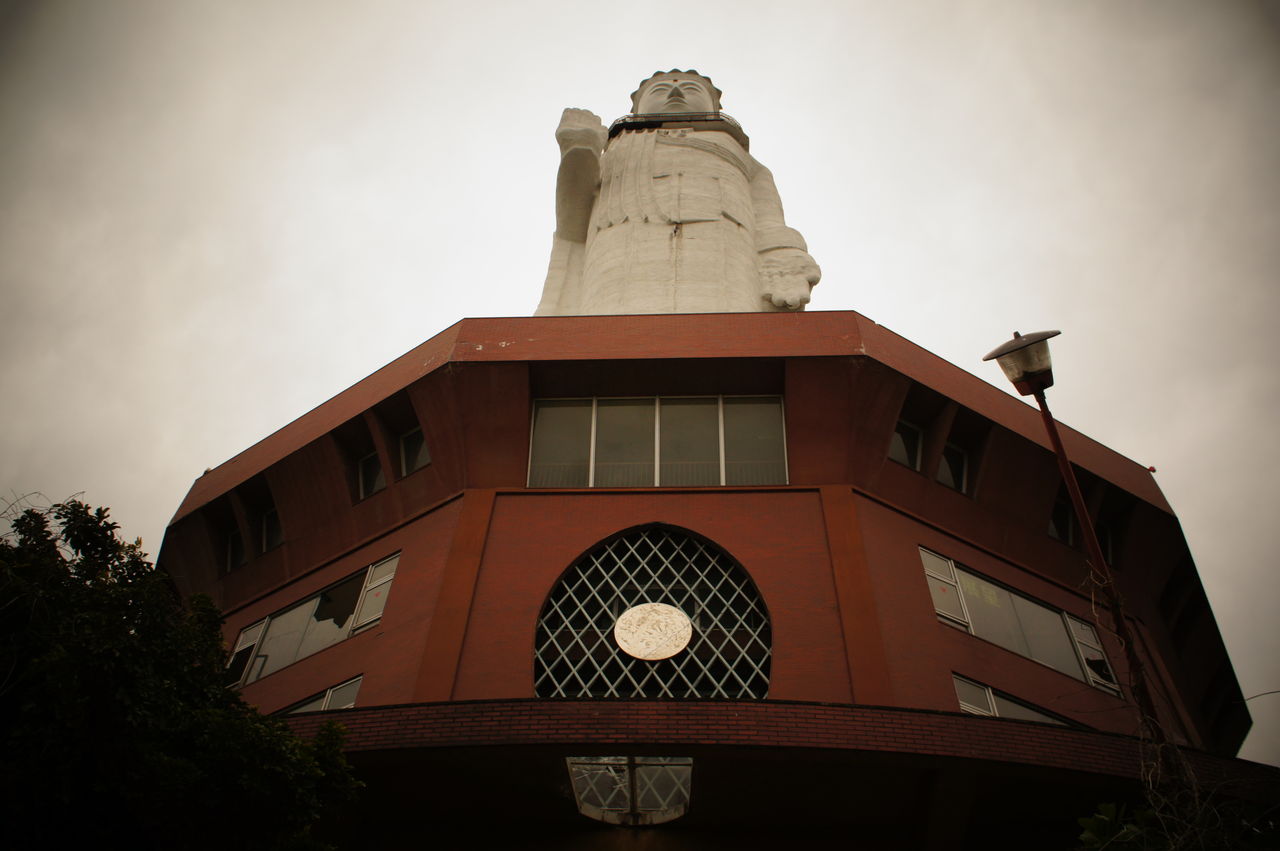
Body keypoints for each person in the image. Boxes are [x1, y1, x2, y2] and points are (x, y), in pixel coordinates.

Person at [536, 70, 820, 316]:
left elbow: (768, 218)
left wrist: (781, 256)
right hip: (620, 239)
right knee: (608, 325)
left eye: (691, 89)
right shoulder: (615, 150)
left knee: (727, 325)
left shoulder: (743, 160)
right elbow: (573, 225)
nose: (675, 92)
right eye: (659, 90)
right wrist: (580, 150)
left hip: (722, 241)